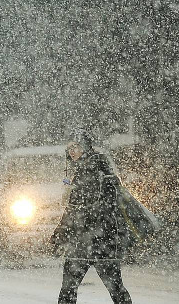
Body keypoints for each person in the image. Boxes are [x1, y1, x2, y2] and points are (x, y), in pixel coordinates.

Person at [50, 129, 132, 304]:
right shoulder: (97, 168)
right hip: (103, 240)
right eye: (70, 148)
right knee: (116, 288)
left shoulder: (89, 171)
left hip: (86, 240)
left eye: (76, 147)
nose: (72, 151)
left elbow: (77, 209)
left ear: (86, 148)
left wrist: (61, 232)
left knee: (68, 290)